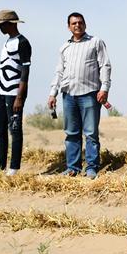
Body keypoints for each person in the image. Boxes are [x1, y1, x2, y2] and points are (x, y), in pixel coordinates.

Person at [47, 12, 112, 180]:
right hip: (68, 95)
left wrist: (104, 88)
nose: (77, 25)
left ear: (85, 25)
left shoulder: (95, 42)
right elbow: (59, 72)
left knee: (90, 133)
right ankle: (73, 168)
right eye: (74, 23)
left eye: (80, 22)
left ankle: (91, 168)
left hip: (90, 93)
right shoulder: (64, 48)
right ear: (68, 27)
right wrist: (52, 93)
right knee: (71, 133)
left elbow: (105, 65)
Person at [0, 9, 32, 176]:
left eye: (1, 24)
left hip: (14, 93)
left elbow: (25, 71)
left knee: (15, 129)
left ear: (9, 24)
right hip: (1, 92)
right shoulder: (7, 42)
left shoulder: (22, 42)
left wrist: (19, 97)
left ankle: (14, 167)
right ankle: (0, 165)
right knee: (0, 128)